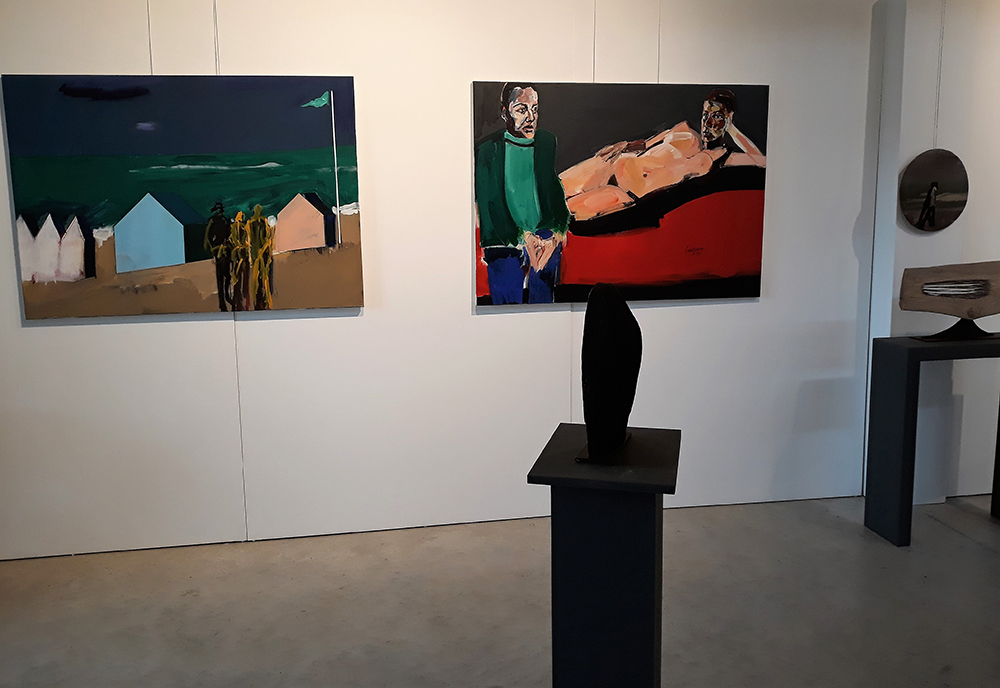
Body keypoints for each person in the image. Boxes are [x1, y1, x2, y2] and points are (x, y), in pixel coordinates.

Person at [560, 88, 767, 221]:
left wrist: (732, 130)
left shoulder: (718, 157)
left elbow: (763, 161)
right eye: (706, 115)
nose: (709, 123)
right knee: (552, 190)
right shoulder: (683, 130)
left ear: (729, 120)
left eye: (718, 118)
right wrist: (623, 146)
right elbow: (645, 144)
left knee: (560, 215)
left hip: (623, 192)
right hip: (612, 166)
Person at [475, 83, 571, 304]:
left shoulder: (546, 142)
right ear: (505, 113)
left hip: (544, 237)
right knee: (507, 306)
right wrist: (524, 238)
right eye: (521, 109)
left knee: (543, 306)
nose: (531, 117)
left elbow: (555, 195)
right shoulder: (488, 150)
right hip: (504, 239)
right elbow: (490, 206)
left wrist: (556, 234)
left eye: (534, 109)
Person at [204, 201, 232, 312]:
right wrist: (213, 248)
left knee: (224, 276)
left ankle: (225, 299)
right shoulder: (217, 221)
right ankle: (224, 301)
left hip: (222, 250)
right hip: (220, 250)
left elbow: (209, 237)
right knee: (223, 276)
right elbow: (209, 237)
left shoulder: (220, 221)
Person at [248, 204, 274, 310]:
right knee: (257, 277)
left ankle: (266, 299)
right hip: (256, 254)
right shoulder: (251, 223)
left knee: (264, 276)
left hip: (263, 254)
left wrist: (264, 250)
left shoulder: (264, 222)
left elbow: (268, 238)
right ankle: (258, 300)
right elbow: (250, 240)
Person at [229, 210, 251, 311]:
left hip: (239, 255)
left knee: (239, 278)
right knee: (242, 278)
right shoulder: (243, 228)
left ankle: (240, 300)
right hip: (241, 255)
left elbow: (231, 239)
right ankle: (242, 300)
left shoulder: (236, 228)